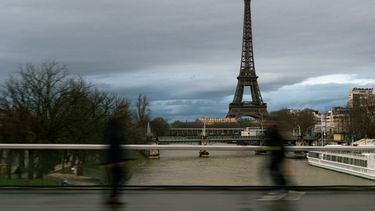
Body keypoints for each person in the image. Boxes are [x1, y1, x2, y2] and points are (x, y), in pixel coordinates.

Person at [105, 117, 125, 204]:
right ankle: (114, 197)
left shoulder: (108, 133)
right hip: (116, 161)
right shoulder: (116, 134)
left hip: (111, 160)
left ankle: (113, 197)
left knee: (114, 179)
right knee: (118, 179)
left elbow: (109, 148)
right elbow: (116, 148)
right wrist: (118, 160)